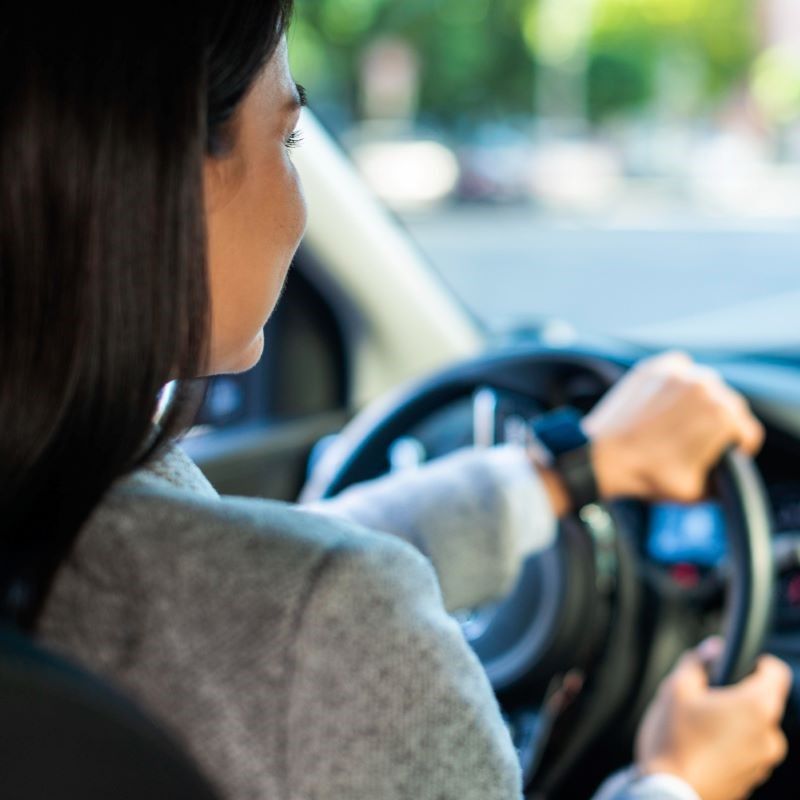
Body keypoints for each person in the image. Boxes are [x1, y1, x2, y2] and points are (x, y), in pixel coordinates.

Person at [0, 4, 791, 800]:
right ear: (165, 178)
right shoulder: (320, 641)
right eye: (288, 138)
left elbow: (241, 582)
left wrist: (563, 474)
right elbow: (286, 608)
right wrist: (678, 778)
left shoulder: (82, 510)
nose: (299, 206)